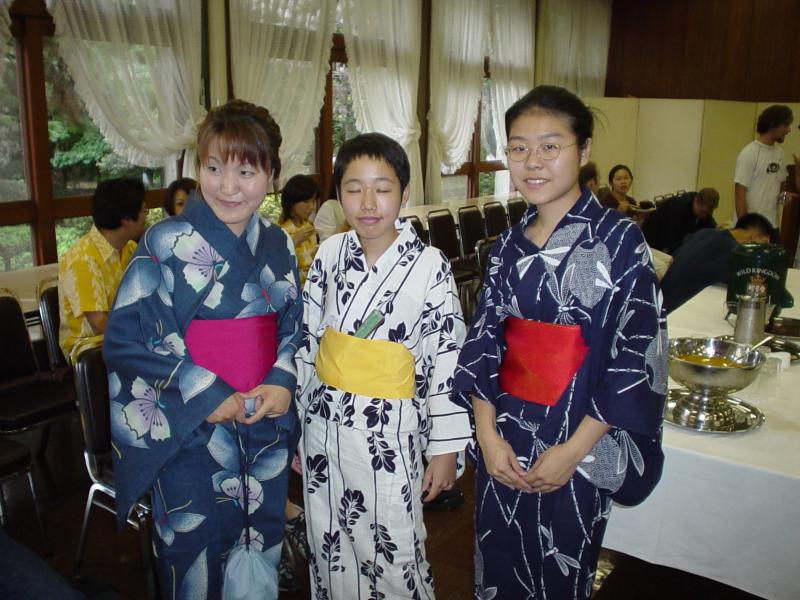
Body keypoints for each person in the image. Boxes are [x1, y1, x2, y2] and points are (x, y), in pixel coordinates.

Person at [453, 85, 667, 598]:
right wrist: (487, 436)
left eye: (551, 146)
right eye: (519, 147)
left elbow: (635, 356)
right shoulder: (504, 248)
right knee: (497, 561)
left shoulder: (619, 241)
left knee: (561, 568)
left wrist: (573, 451)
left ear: (584, 151)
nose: (532, 162)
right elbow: (484, 343)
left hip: (577, 437)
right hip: (504, 440)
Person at [103, 99, 303, 597]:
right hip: (191, 429)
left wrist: (282, 376)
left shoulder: (278, 243)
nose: (228, 186)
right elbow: (128, 340)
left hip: (263, 420)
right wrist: (205, 391)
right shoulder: (163, 244)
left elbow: (294, 323)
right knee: (191, 550)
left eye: (246, 170)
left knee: (261, 541)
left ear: (273, 175)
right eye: (213, 168)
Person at [296, 132, 472, 599]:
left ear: (405, 192)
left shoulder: (430, 264)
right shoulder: (330, 254)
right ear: (337, 195)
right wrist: (297, 424)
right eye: (353, 188)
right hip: (323, 426)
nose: (368, 202)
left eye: (383, 187)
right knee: (328, 542)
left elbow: (447, 357)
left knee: (392, 552)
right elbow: (308, 339)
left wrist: (445, 448)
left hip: (388, 434)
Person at [58, 177, 147, 364]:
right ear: (125, 218)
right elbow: (100, 324)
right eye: (143, 210)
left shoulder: (130, 249)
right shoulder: (82, 259)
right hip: (90, 350)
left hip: (125, 337)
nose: (146, 215)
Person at [660, 212, 776, 313]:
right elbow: (743, 283)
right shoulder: (733, 252)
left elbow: (674, 257)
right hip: (674, 312)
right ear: (754, 236)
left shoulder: (705, 233)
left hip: (659, 301)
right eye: (764, 243)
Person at [734, 104, 800, 228]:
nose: (789, 130)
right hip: (753, 227)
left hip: (771, 226)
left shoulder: (779, 153)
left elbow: (779, 187)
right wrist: (745, 228)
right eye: (786, 125)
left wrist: (783, 197)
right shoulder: (749, 153)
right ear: (773, 125)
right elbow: (739, 195)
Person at [641, 187, 720, 254]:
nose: (705, 215)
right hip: (652, 241)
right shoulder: (678, 208)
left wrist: (719, 229)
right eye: (704, 212)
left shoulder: (701, 206)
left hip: (669, 240)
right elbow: (673, 241)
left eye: (708, 212)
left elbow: (709, 223)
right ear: (696, 201)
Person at [278, 174, 319, 285]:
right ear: (291, 202)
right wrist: (294, 241)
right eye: (306, 202)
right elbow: (274, 264)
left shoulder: (308, 225)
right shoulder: (278, 230)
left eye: (314, 201)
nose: (312, 207)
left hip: (313, 285)